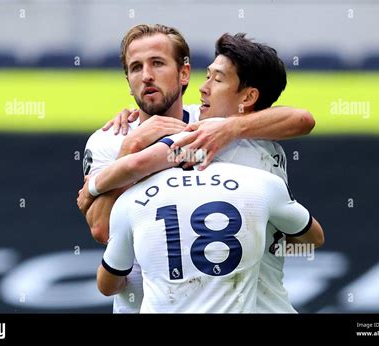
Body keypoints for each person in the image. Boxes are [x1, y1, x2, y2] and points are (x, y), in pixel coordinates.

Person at [81, 25, 315, 313]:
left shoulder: (210, 120)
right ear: (128, 82)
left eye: (157, 63)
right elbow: (102, 229)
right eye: (135, 68)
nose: (147, 76)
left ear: (183, 73)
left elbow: (302, 120)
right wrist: (131, 148)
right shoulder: (109, 139)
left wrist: (230, 129)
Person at [96, 162, 324, 313]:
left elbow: (107, 285)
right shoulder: (261, 182)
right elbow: (314, 240)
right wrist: (268, 246)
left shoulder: (132, 199)